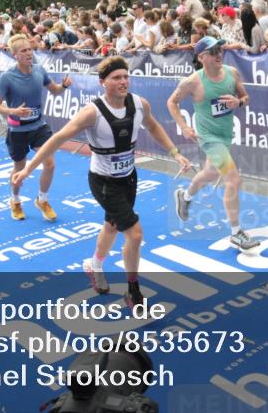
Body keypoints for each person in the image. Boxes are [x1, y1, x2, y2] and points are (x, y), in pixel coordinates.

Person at [12, 56, 191, 310]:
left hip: (129, 177)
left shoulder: (140, 104)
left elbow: (153, 127)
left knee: (112, 226)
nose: (123, 82)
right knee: (135, 233)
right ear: (102, 82)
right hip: (103, 182)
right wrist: (29, 168)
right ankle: (133, 291)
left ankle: (94, 265)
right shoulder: (92, 112)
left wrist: (175, 153)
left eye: (126, 76)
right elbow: (57, 138)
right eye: (116, 77)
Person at [168, 37, 261, 251]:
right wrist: (183, 126)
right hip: (208, 138)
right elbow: (171, 102)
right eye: (213, 51)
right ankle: (236, 233)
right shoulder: (192, 81)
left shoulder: (232, 73)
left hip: (226, 134)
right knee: (234, 180)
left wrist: (239, 102)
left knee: (210, 173)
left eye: (220, 49)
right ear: (201, 57)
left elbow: (245, 97)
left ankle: (185, 195)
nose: (219, 54)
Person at [0, 34, 72, 222]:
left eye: (30, 49)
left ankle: (42, 200)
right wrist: (13, 111)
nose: (29, 53)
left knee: (50, 163)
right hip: (17, 130)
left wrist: (64, 86)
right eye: (24, 51)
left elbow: (55, 91)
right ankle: (15, 200)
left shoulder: (39, 70)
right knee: (19, 168)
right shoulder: (7, 77)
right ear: (14, 55)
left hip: (38, 126)